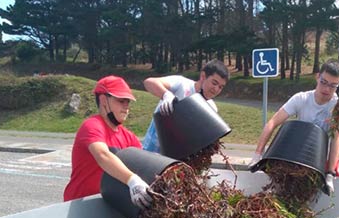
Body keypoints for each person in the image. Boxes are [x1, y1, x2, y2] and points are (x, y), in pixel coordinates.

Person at [250, 59, 339, 195]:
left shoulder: (337, 106)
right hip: (301, 154)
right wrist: (257, 154)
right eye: (323, 82)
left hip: (322, 158)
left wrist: (330, 173)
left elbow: (337, 138)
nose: (326, 89)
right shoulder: (301, 99)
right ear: (317, 77)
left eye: (333, 86)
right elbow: (273, 122)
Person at [63, 76, 152, 209]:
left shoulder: (128, 136)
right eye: (121, 100)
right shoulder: (92, 126)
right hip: (79, 207)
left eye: (128, 101)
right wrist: (133, 180)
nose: (126, 106)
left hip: (107, 206)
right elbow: (103, 155)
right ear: (104, 100)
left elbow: (144, 162)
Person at [141, 59, 230, 152]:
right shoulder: (182, 84)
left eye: (220, 87)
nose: (216, 89)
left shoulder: (211, 108)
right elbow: (149, 82)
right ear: (203, 76)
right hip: (153, 147)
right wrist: (166, 95)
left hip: (179, 155)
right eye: (214, 83)